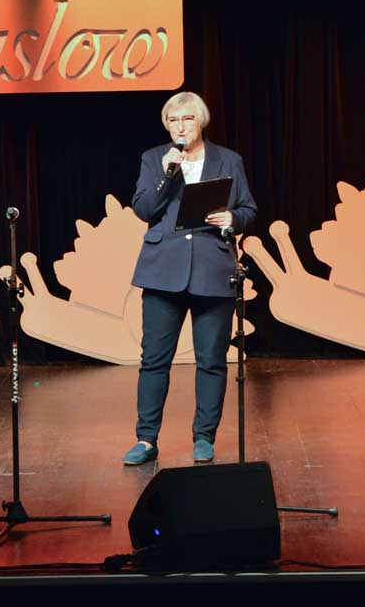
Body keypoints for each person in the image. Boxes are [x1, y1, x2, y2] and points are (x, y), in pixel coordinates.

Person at [122, 91, 257, 466]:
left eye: (188, 119)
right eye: (173, 121)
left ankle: (204, 438)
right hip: (163, 271)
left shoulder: (228, 160)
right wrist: (166, 175)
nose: (180, 127)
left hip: (212, 270)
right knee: (154, 360)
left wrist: (234, 219)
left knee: (211, 360)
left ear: (201, 122)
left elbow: (248, 208)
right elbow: (144, 209)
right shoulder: (154, 159)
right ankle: (146, 439)